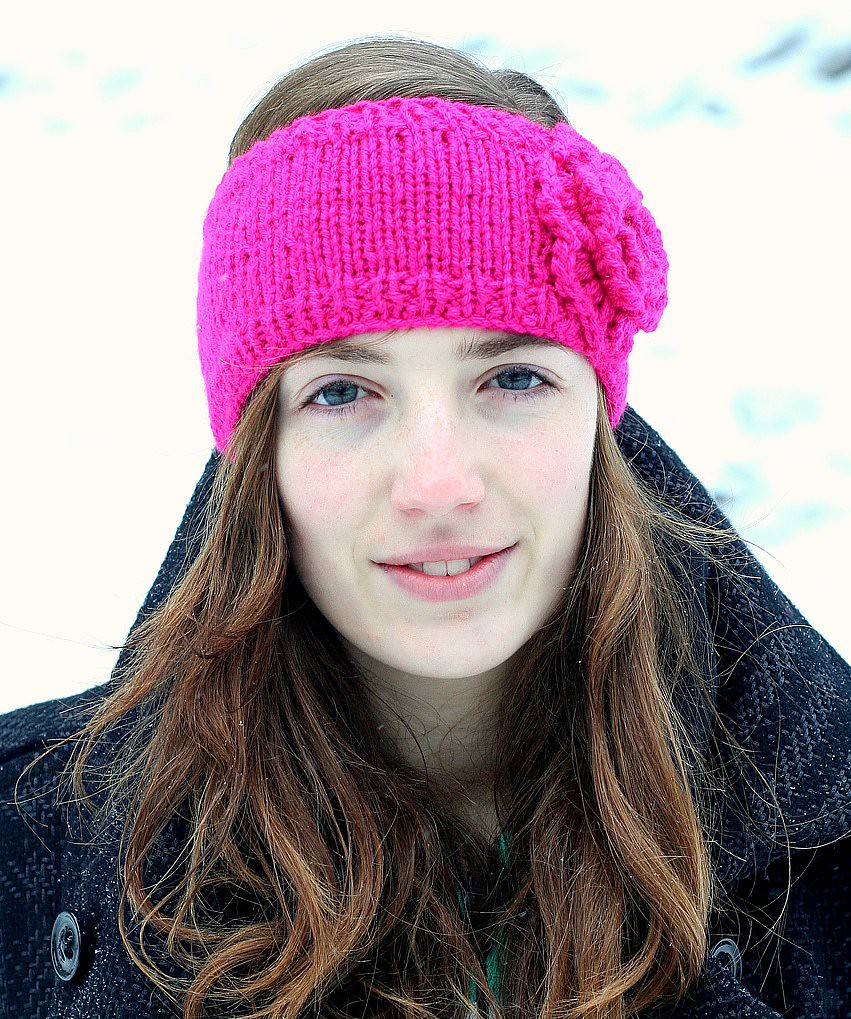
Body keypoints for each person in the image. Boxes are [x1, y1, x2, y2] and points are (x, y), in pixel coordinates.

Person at [2, 34, 849, 1019]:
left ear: (597, 415)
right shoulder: (27, 838)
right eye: (343, 392)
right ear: (255, 449)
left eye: (512, 377)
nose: (437, 484)